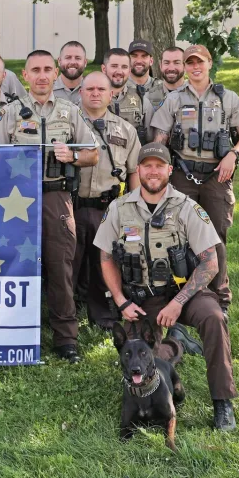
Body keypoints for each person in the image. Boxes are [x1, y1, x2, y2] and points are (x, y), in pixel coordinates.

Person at [94, 142, 238, 431]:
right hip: (142, 296)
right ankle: (175, 344)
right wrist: (121, 300)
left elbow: (210, 263)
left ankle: (223, 402)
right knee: (146, 359)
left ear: (170, 170)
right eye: (147, 165)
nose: (153, 171)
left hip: (185, 293)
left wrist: (178, 303)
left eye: (159, 165)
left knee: (214, 318)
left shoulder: (187, 207)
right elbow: (106, 257)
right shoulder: (120, 209)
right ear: (138, 170)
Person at [0, 50, 99, 363]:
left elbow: (93, 153)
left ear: (56, 72)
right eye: (35, 70)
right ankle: (10, 330)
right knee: (11, 266)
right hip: (15, 201)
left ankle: (66, 340)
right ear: (25, 75)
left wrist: (73, 157)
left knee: (61, 266)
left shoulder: (69, 111)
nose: (42, 75)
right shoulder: (11, 113)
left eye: (48, 69)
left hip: (56, 197)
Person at [151, 45, 239, 315]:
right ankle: (180, 292)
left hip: (218, 175)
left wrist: (233, 154)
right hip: (183, 175)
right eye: (190, 62)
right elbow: (160, 139)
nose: (195, 67)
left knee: (216, 237)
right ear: (185, 67)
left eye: (200, 62)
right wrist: (161, 167)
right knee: (178, 236)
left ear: (210, 63)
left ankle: (220, 298)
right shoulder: (173, 100)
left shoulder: (228, 99)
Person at [72, 72, 140, 329]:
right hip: (73, 205)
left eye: (101, 89)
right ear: (81, 92)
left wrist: (133, 207)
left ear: (111, 94)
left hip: (108, 208)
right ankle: (68, 313)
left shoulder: (126, 130)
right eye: (89, 89)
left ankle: (102, 317)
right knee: (70, 263)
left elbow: (133, 170)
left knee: (104, 264)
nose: (95, 93)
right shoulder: (68, 124)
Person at [103, 47, 155, 144]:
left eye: (124, 67)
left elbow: (151, 139)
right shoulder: (93, 97)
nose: (119, 71)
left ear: (130, 70)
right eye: (114, 66)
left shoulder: (141, 100)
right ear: (104, 69)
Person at [127, 39, 167, 108]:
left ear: (151, 61)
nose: (139, 61)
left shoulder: (163, 88)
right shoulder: (120, 88)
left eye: (144, 56)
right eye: (134, 56)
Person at [52, 41, 88, 105]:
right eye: (68, 57)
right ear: (59, 61)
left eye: (78, 58)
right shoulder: (48, 90)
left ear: (85, 62)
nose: (72, 62)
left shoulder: (94, 91)